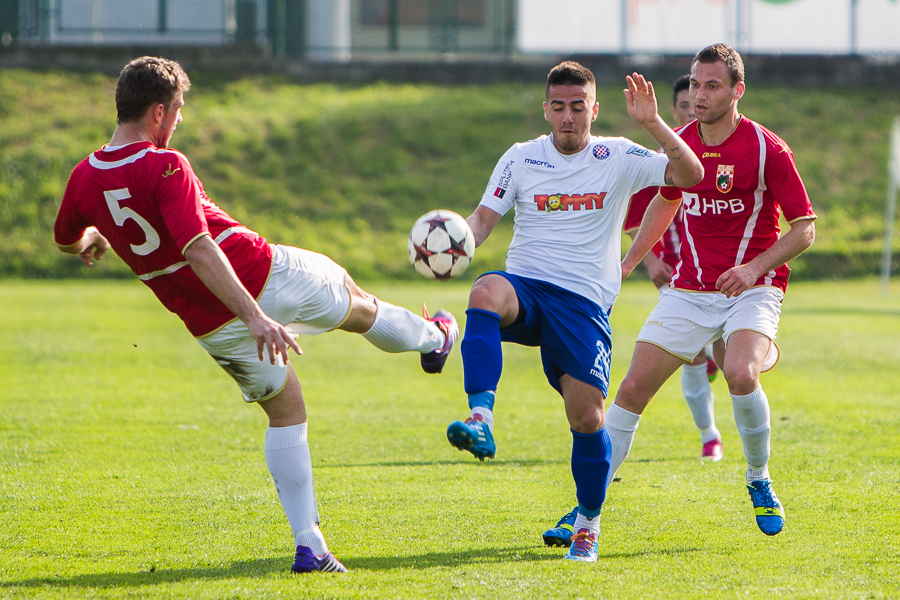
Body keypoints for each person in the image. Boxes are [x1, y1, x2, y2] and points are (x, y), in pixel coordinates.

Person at [53, 56, 459, 574]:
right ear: (158, 112)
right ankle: (434, 338)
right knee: (353, 299)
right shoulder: (167, 164)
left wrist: (95, 236)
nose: (178, 121)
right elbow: (199, 246)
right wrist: (256, 316)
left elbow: (67, 241)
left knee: (286, 413)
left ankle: (310, 543)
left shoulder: (84, 177)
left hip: (208, 323)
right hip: (262, 279)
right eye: (177, 110)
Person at [546, 43, 816, 541]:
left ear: (738, 91)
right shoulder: (682, 144)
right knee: (628, 392)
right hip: (689, 289)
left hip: (753, 287)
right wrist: (629, 262)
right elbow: (664, 205)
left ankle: (759, 478)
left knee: (739, 371)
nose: (700, 94)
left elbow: (804, 228)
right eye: (695, 84)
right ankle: (586, 508)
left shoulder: (767, 148)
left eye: (712, 85)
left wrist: (753, 266)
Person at [443, 61, 703, 563]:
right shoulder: (520, 159)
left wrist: (652, 122)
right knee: (485, 292)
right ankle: (481, 418)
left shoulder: (619, 154)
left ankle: (587, 523)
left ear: (594, 110)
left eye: (577, 107)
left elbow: (690, 176)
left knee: (587, 418)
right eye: (558, 107)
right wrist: (456, 243)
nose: (568, 117)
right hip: (528, 288)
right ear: (546, 110)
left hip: (583, 305)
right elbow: (481, 220)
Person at [625, 74, 726, 464]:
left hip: (721, 274)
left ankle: (717, 358)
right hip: (676, 275)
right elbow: (635, 218)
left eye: (699, 101)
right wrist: (650, 261)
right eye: (685, 105)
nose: (693, 109)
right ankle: (709, 436)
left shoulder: (723, 157)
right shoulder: (661, 163)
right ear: (672, 112)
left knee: (728, 357)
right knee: (695, 356)